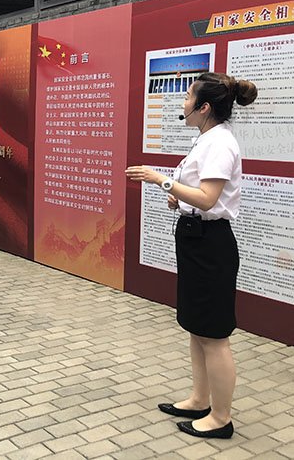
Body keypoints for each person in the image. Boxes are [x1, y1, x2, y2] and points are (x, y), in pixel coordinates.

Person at [125, 72, 257, 440]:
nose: (182, 103)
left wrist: (161, 180)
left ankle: (221, 418)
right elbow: (198, 195)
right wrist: (179, 199)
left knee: (214, 335)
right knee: (197, 327)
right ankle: (200, 400)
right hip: (195, 239)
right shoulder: (207, 139)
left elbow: (209, 200)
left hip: (211, 245)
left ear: (204, 107)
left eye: (187, 97)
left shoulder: (220, 143)